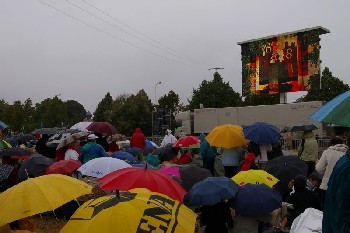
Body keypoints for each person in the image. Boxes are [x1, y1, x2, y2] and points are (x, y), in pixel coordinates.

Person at [322, 134, 350, 232]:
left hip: (334, 220)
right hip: (342, 225)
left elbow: (318, 168)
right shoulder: (347, 167)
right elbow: (344, 202)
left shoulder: (343, 160)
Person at [315, 136, 348, 207]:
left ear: (332, 144)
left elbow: (319, 168)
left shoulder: (327, 152)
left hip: (327, 186)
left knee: (326, 209)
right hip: (343, 187)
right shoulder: (347, 153)